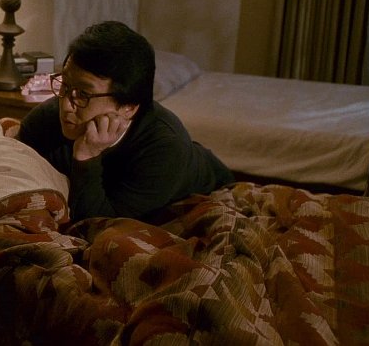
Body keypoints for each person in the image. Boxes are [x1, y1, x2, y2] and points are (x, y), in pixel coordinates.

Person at [16, 21, 234, 222]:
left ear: (128, 107)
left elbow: (97, 225)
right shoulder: (48, 116)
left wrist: (86, 157)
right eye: (65, 84)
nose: (66, 105)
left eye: (83, 94)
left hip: (209, 190)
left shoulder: (165, 147)